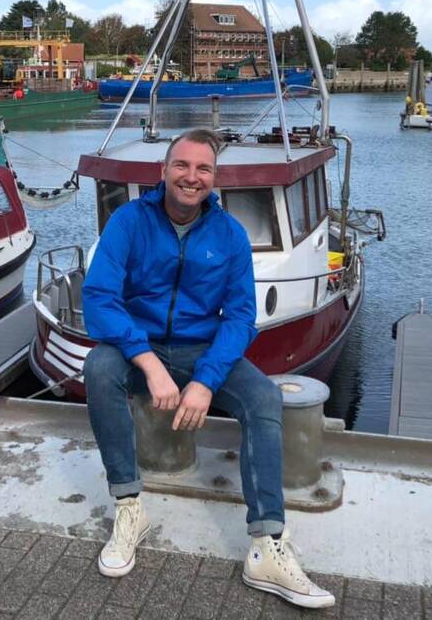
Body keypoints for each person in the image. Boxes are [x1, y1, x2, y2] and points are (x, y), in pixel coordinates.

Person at [82, 128, 335, 610]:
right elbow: (99, 298)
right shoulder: (129, 221)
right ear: (163, 171)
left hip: (201, 350)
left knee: (262, 397)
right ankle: (129, 506)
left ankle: (266, 543)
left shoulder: (230, 234)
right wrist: (148, 362)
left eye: (203, 169)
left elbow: (240, 317)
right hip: (141, 348)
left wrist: (204, 380)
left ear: (214, 178)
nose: (191, 177)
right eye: (182, 165)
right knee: (98, 367)